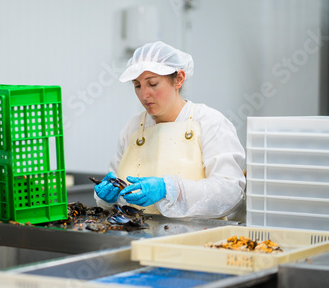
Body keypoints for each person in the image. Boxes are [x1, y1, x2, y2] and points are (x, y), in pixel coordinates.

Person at [94, 41, 246, 219]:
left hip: (198, 239)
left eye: (152, 84)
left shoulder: (210, 123)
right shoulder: (133, 129)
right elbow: (115, 197)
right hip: (139, 237)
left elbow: (230, 193)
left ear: (179, 79)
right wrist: (107, 198)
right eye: (137, 85)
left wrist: (171, 189)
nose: (144, 95)